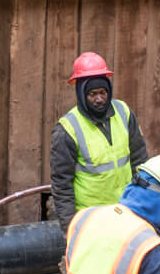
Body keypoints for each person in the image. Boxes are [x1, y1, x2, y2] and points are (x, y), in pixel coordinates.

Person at [49, 52, 148, 230]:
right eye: (92, 94)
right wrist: (70, 228)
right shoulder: (67, 129)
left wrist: (143, 204)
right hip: (91, 220)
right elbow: (62, 184)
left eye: (103, 92)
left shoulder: (123, 112)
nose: (99, 99)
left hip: (126, 211)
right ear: (81, 94)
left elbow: (140, 160)